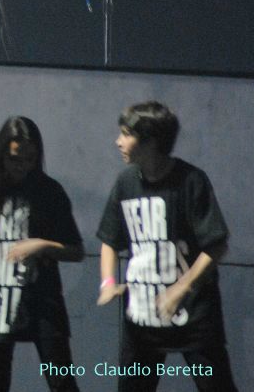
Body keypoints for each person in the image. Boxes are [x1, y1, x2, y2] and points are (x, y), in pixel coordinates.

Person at [96, 101, 238, 392]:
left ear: (151, 142)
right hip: (142, 317)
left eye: (126, 134)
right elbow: (110, 241)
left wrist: (180, 288)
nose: (118, 141)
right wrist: (108, 282)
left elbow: (216, 245)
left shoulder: (190, 181)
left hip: (193, 317)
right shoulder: (125, 183)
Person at [0, 116, 83, 392]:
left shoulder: (49, 192)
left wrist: (41, 245)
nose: (22, 166)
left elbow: (76, 251)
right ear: (1, 156)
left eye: (29, 159)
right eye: (14, 159)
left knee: (62, 383)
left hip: (43, 303)